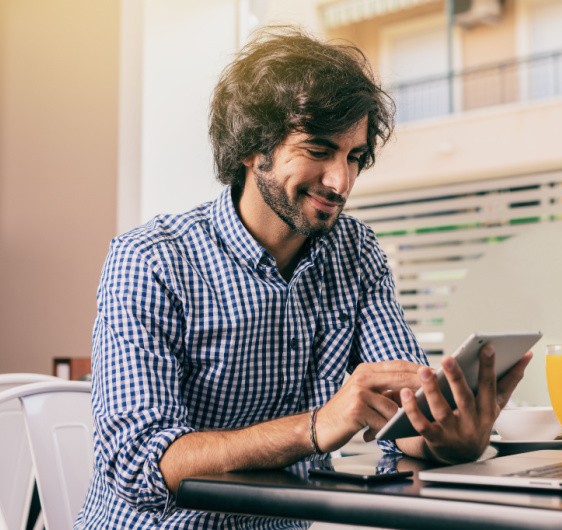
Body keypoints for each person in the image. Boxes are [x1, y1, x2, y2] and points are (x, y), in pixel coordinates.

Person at [74, 26, 531, 529]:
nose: (341, 181)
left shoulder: (355, 253)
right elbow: (139, 465)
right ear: (253, 148)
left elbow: (403, 417)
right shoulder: (152, 260)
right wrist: (317, 427)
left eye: (354, 157)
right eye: (318, 150)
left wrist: (451, 438)